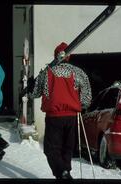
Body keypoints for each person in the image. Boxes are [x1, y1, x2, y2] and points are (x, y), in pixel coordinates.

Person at [28, 42, 92, 180]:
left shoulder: (47, 72)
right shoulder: (79, 72)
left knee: (51, 149)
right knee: (67, 148)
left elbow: (34, 93)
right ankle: (65, 173)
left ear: (55, 56)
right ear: (68, 56)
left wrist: (30, 85)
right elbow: (86, 99)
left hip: (54, 117)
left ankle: (62, 172)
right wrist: (78, 104)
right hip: (72, 117)